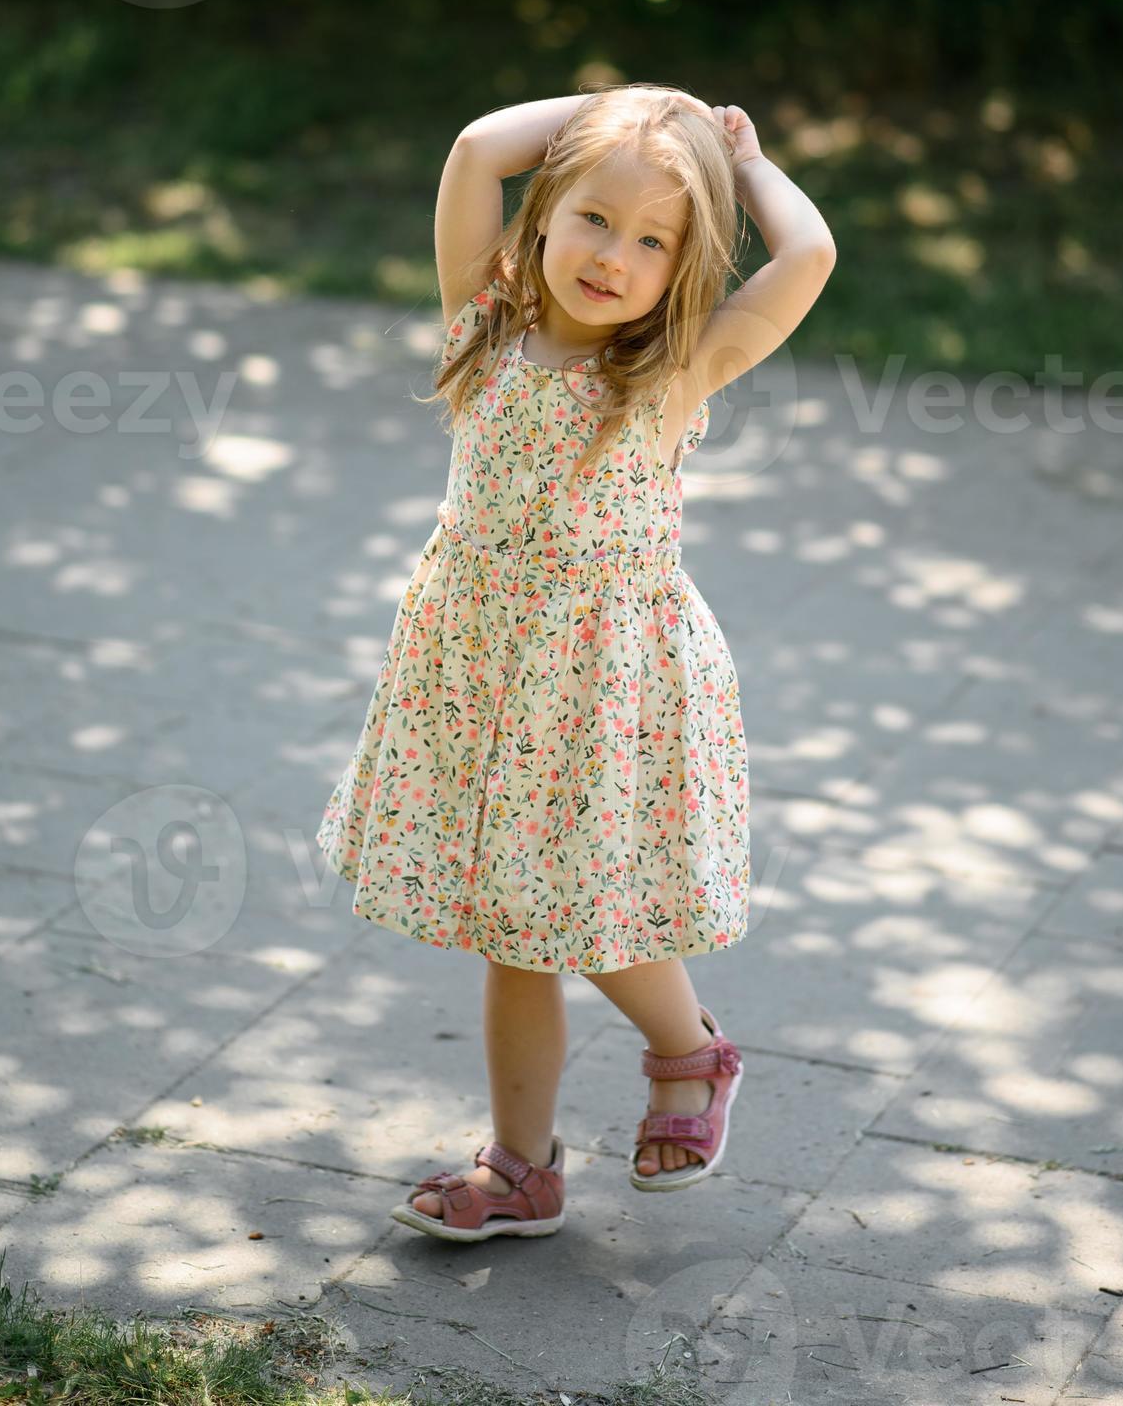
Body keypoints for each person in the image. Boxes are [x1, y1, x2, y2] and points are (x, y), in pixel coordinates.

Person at [315, 82, 837, 1240]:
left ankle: (691, 1053)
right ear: (545, 211)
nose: (613, 254)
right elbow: (469, 147)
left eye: (653, 240)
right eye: (594, 217)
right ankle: (519, 1167)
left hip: (602, 687)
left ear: (681, 270)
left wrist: (737, 159)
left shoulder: (663, 376)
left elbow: (806, 254)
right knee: (512, 928)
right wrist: (630, 104)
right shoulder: (482, 327)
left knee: (576, 903)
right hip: (477, 671)